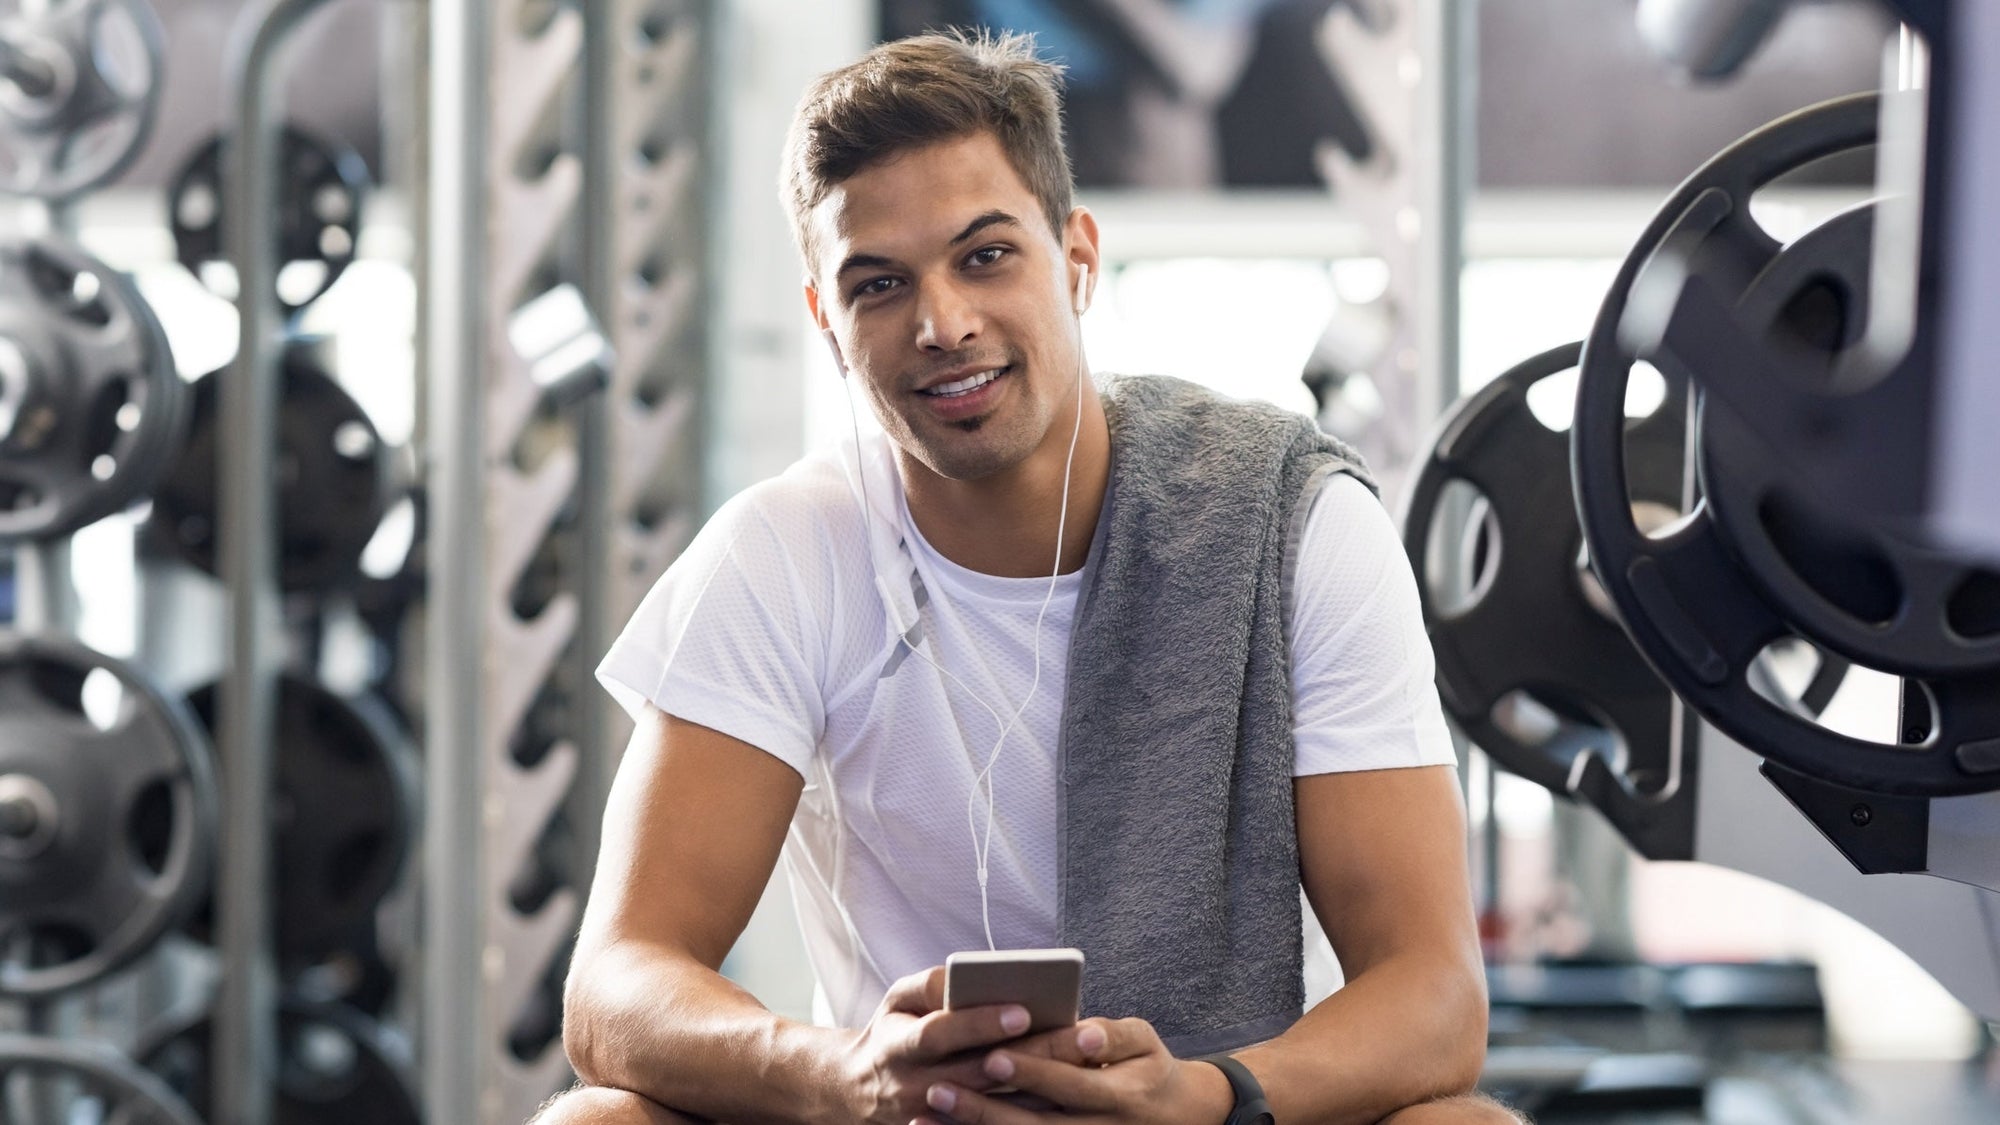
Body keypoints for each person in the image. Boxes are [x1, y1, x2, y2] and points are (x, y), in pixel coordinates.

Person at [536, 29, 1521, 1125]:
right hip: (910, 1115)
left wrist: (1207, 1096)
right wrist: (843, 1073)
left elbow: (1434, 998)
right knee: (595, 1121)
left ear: (1077, 256)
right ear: (826, 320)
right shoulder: (784, 551)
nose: (941, 323)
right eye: (877, 284)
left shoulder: (1294, 525)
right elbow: (616, 983)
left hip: (1206, 1113)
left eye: (985, 255)